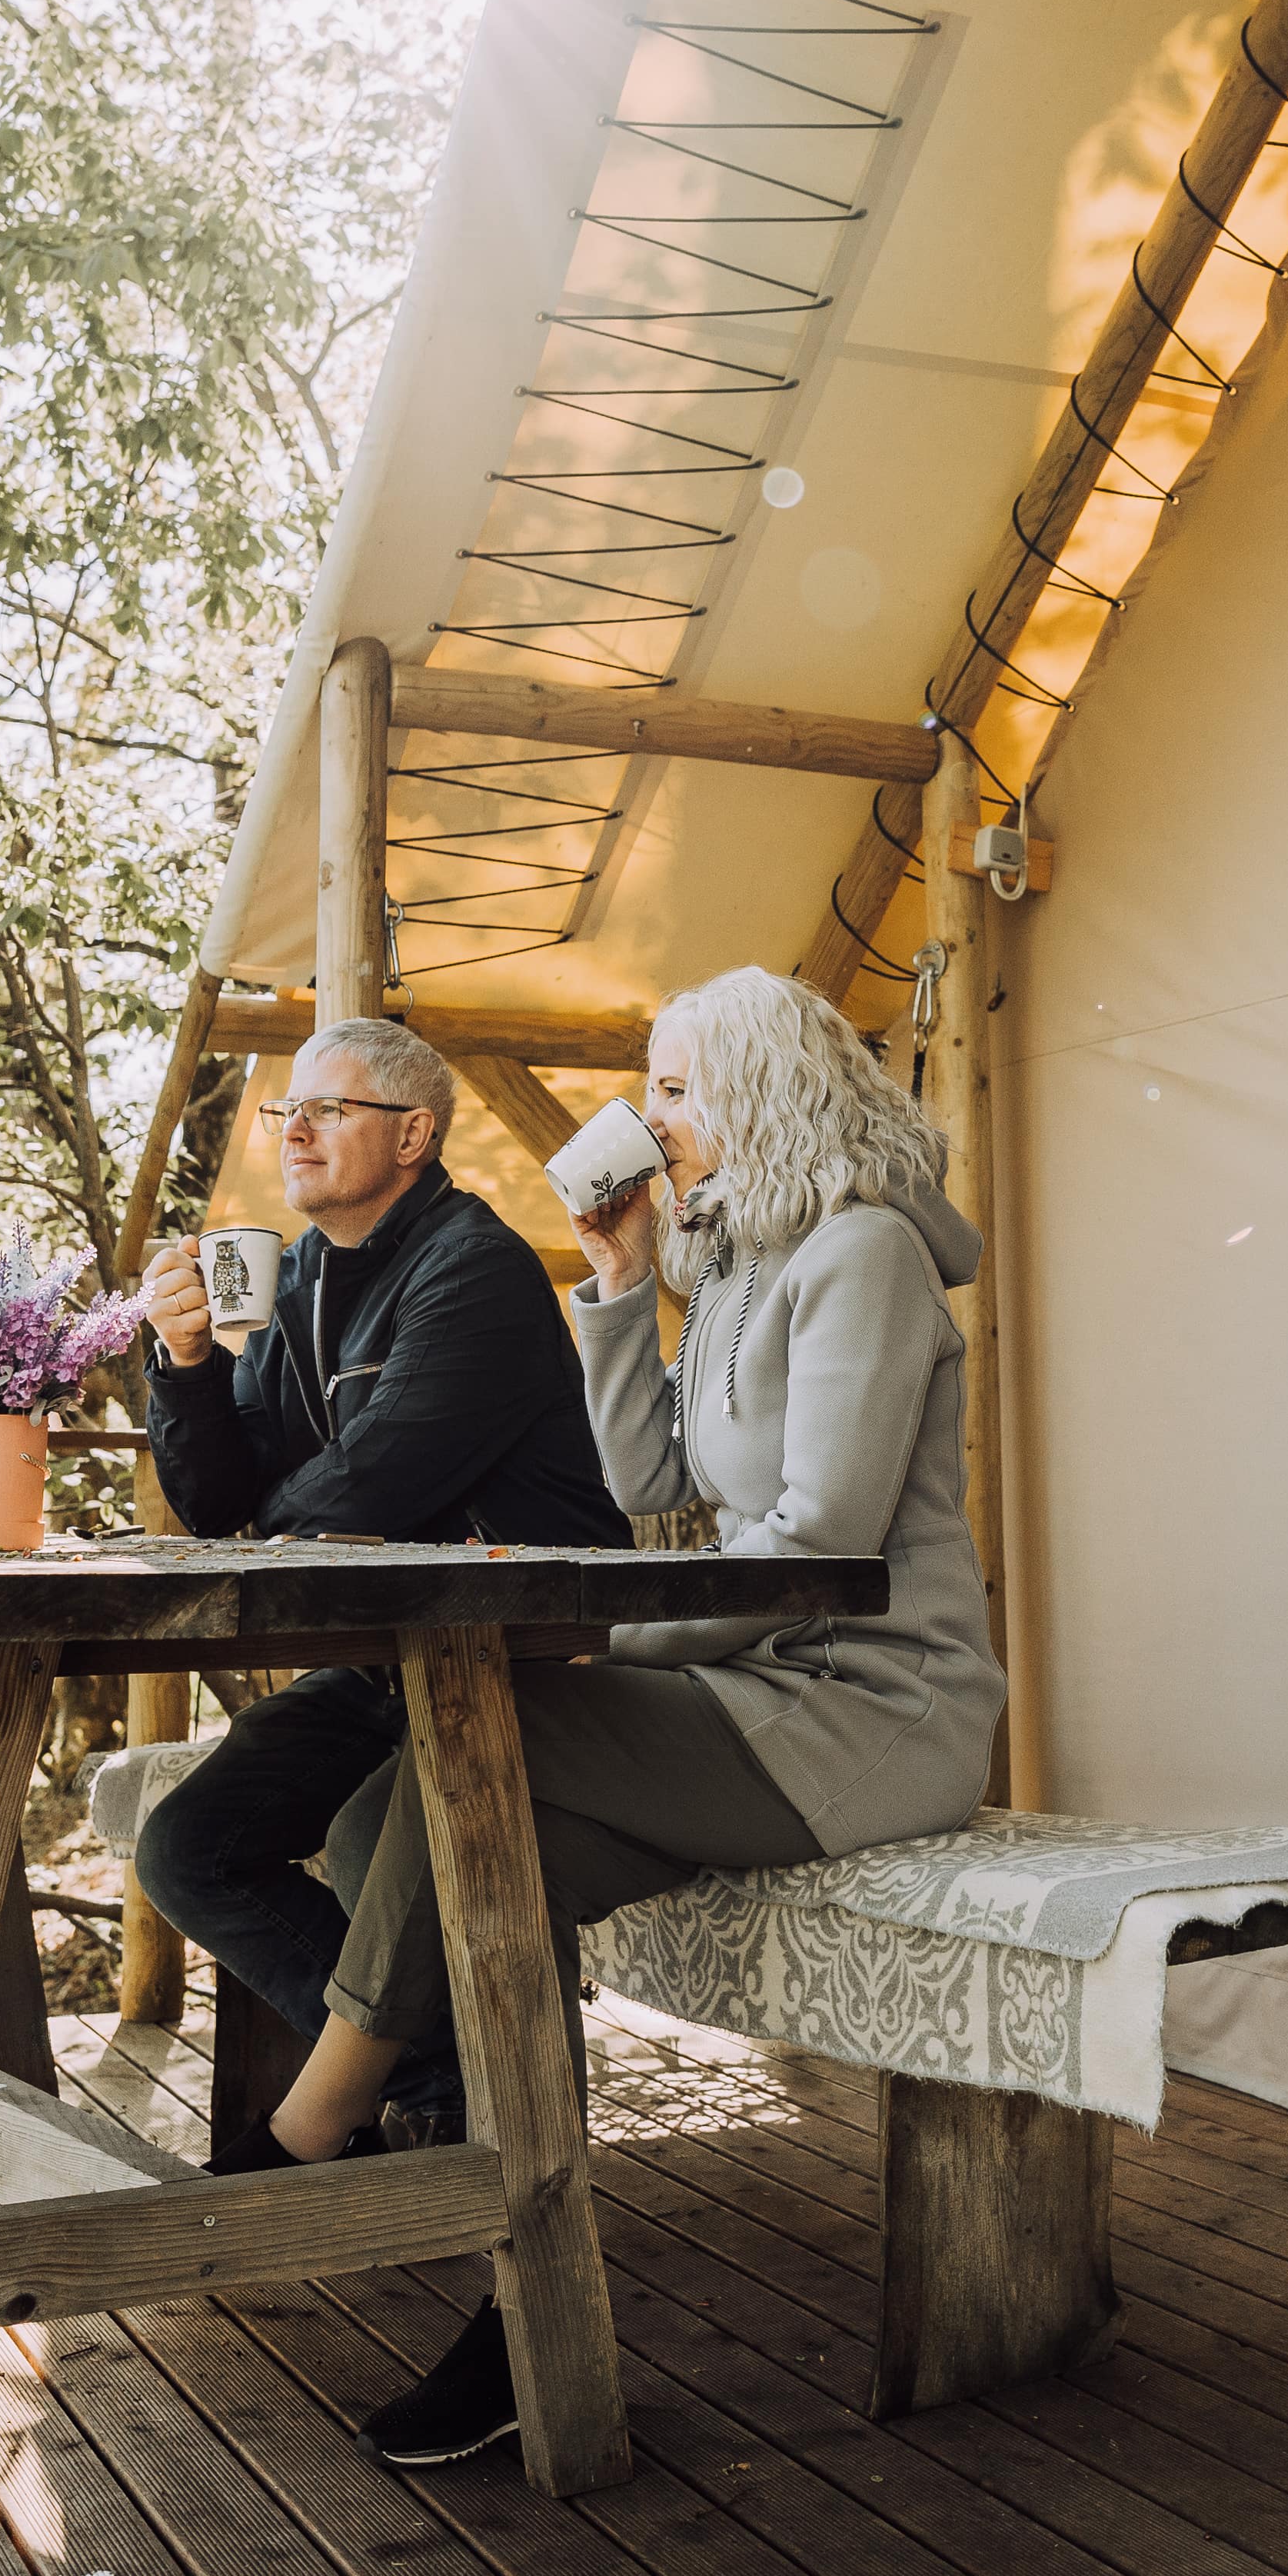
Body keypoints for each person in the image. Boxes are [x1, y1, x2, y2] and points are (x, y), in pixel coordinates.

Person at [258, 964, 1006, 2467]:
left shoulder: (862, 1255)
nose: (647, 1113)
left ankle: (331, 2099)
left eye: (672, 1083)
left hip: (871, 1706)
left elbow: (819, 1549)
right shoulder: (730, 1254)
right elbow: (655, 1487)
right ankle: (527, 2286)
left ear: (758, 1087)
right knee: (406, 1827)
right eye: (650, 1084)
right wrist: (614, 1281)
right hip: (754, 1687)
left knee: (494, 1745)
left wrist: (618, 1643)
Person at [130, 1017, 622, 2180]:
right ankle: (444, 2073)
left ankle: (425, 2115)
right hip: (383, 1658)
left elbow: (374, 1483)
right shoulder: (296, 1278)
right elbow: (219, 1499)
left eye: (328, 1110)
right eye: (284, 1110)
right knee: (191, 1848)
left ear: (413, 1135)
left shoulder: (476, 1269)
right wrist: (187, 1363)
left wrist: (282, 1505)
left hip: (514, 1661)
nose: (291, 1129)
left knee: (377, 1846)